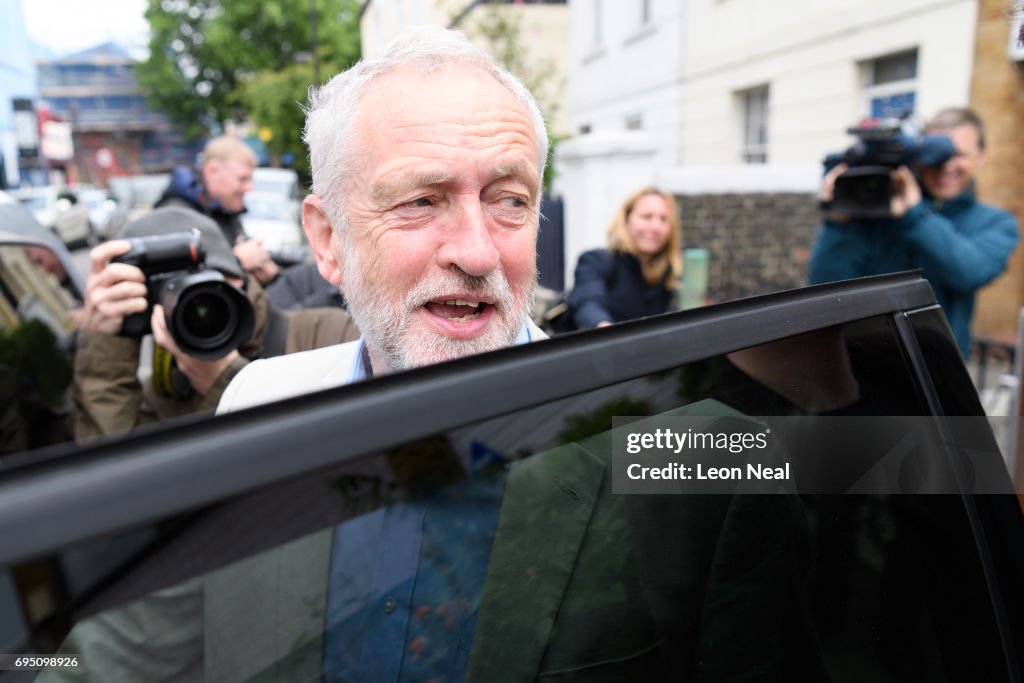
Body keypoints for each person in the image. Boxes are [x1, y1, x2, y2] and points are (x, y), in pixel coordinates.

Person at [44, 28, 817, 682]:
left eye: (510, 200)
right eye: (420, 200)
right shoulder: (256, 407)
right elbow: (113, 657)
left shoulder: (688, 461)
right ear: (326, 240)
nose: (479, 251)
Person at [72, 206, 359, 443]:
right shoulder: (161, 388)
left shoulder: (329, 335)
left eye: (210, 283)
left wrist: (227, 382)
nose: (199, 307)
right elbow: (120, 485)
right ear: (149, 310)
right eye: (175, 294)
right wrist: (104, 352)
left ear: (241, 279)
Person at [808, 107, 1019, 356]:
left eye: (958, 155)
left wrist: (916, 214)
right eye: (935, 155)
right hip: (870, 363)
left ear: (981, 156)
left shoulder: (995, 222)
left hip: (940, 370)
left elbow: (969, 271)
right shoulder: (880, 211)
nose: (945, 166)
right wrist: (838, 222)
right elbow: (825, 286)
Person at [156, 135, 282, 287]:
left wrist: (263, 272)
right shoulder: (174, 215)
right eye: (242, 179)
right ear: (211, 170)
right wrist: (236, 261)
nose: (250, 188)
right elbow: (171, 281)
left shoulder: (224, 209)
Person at [567, 187, 683, 329]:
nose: (655, 226)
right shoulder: (596, 261)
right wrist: (603, 328)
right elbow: (587, 303)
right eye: (646, 217)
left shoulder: (666, 275)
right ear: (626, 219)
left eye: (664, 219)